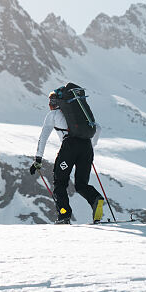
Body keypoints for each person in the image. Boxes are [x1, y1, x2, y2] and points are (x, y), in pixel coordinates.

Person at [29, 83, 104, 224]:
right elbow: (97, 128)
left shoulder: (53, 115)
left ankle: (64, 215)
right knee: (81, 184)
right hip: (86, 146)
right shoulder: (80, 115)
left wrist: (38, 159)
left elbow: (43, 137)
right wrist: (90, 146)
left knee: (59, 182)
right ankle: (95, 198)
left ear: (55, 103)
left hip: (69, 147)